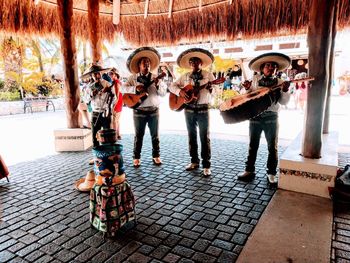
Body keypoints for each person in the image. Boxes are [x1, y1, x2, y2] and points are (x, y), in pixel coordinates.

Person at [237, 52, 291, 184]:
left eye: (273, 66)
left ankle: (271, 173)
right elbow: (248, 97)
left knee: (272, 147)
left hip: (272, 118)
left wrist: (284, 91)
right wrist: (248, 89)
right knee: (252, 145)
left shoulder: (281, 82)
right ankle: (249, 170)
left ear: (276, 69)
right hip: (255, 116)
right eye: (268, 65)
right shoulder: (255, 80)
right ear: (262, 68)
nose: (271, 67)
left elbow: (284, 102)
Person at [169, 48, 216, 177]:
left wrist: (212, 89)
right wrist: (181, 92)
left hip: (203, 109)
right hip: (188, 109)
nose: (194, 63)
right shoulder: (185, 76)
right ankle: (194, 161)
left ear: (201, 63)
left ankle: (206, 165)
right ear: (190, 65)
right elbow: (171, 86)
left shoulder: (209, 76)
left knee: (204, 137)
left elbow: (217, 92)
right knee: (191, 136)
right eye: (191, 62)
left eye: (196, 61)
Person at [123, 47, 167, 167]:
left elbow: (163, 94)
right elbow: (122, 89)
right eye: (144, 63)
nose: (146, 65)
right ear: (139, 65)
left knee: (155, 135)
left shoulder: (155, 77)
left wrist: (158, 86)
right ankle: (136, 157)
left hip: (154, 110)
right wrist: (134, 88)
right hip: (138, 111)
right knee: (138, 135)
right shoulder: (133, 78)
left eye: (148, 63)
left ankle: (156, 156)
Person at [82, 64, 114, 147]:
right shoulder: (89, 87)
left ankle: (108, 155)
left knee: (107, 135)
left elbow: (114, 99)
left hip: (105, 112)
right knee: (95, 136)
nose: (96, 76)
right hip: (95, 113)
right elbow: (86, 100)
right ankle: (97, 156)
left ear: (100, 74)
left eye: (97, 73)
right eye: (94, 74)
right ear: (91, 76)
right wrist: (92, 94)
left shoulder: (107, 84)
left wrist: (109, 92)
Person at [108, 68, 123, 140]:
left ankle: (115, 136)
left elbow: (116, 95)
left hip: (117, 102)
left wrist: (114, 105)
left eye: (112, 74)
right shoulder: (115, 82)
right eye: (109, 74)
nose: (110, 75)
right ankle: (118, 134)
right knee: (117, 120)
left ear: (116, 74)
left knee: (114, 120)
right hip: (119, 102)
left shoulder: (116, 82)